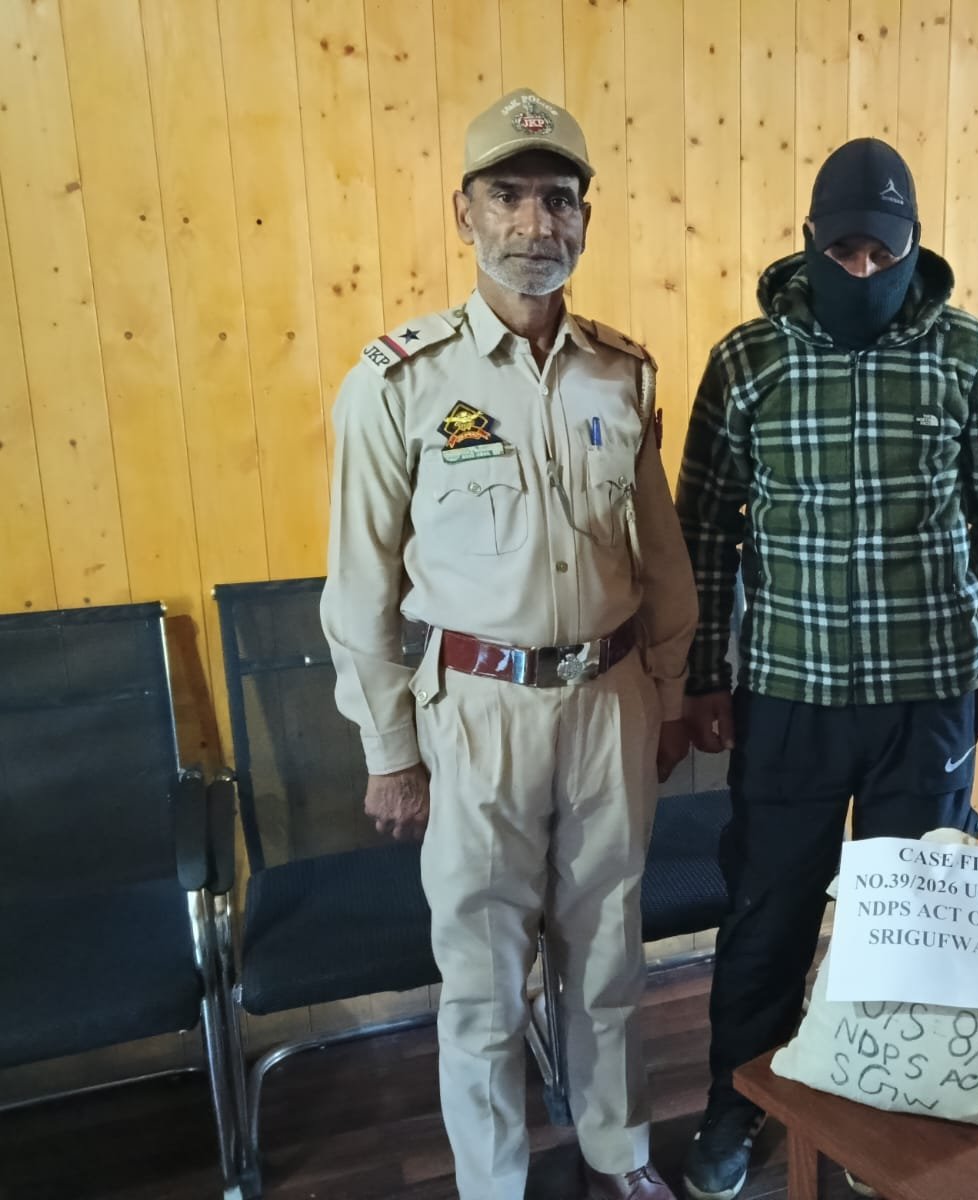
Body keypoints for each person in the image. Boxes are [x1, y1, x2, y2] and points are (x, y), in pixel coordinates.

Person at [321, 87, 696, 1200]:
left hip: (610, 700)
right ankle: (493, 1184)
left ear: (585, 218)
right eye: (508, 196)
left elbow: (662, 558)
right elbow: (359, 590)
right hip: (475, 711)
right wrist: (390, 748)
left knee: (609, 954)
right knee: (483, 978)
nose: (535, 223)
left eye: (558, 199)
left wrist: (670, 693)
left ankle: (618, 1155)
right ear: (465, 212)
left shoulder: (622, 373)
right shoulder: (399, 381)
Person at [673, 137, 978, 1200]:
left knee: (907, 923)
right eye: (844, 252)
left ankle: (888, 1110)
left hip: (928, 696)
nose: (864, 271)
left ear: (913, 245)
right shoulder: (748, 359)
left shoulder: (964, 353)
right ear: (810, 244)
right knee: (769, 912)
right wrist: (702, 674)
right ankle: (738, 1102)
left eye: (883, 253)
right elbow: (703, 529)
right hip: (788, 693)